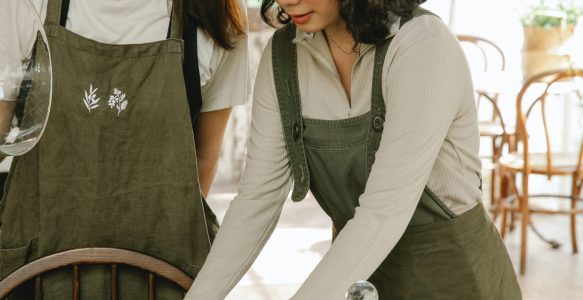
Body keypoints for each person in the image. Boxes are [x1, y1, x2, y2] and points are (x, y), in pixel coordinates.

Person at [185, 0, 522, 299]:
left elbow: (383, 212)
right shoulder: (284, 55)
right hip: (358, 280)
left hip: (457, 280)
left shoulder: (423, 45)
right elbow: (256, 201)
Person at [0, 0, 248, 298]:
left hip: (161, 276)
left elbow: (204, 156)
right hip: (37, 274)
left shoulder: (215, 12)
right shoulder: (26, 5)